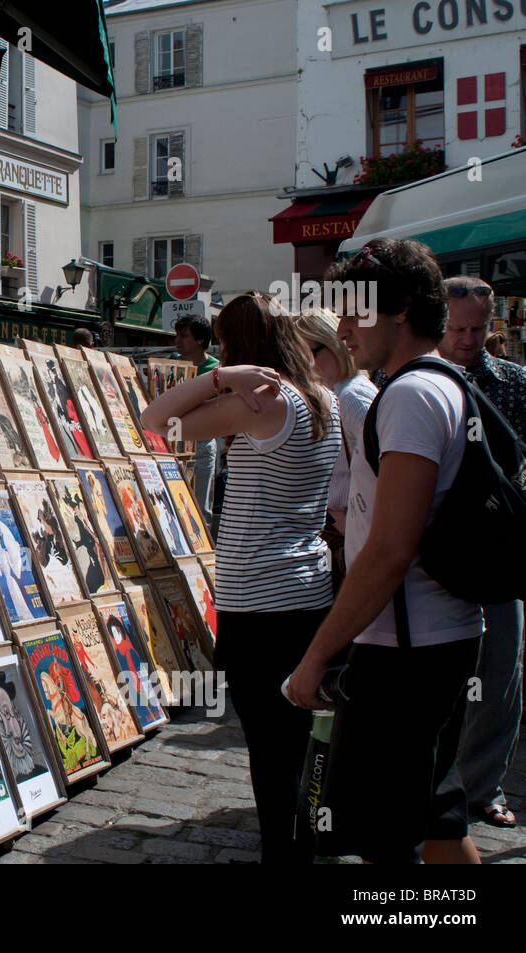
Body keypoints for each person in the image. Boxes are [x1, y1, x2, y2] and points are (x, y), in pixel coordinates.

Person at [285, 239, 484, 865]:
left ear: (397, 308)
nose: (343, 329)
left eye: (353, 312)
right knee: (439, 820)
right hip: (435, 636)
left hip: (406, 650)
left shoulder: (410, 396)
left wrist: (317, 656)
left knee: (381, 840)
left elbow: (391, 548)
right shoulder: (439, 385)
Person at [142, 292, 341, 864]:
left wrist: (220, 377)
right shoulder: (320, 398)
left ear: (242, 347)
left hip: (259, 599)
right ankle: (301, 841)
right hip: (307, 590)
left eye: (227, 345)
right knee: (296, 738)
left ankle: (285, 851)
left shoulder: (260, 405)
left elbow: (155, 422)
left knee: (268, 747)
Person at [438, 275, 523, 829]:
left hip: (497, 550)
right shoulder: (414, 378)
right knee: (438, 676)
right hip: (435, 547)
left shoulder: (514, 382)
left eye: (477, 328)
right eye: (457, 328)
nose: (468, 339)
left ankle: (481, 787)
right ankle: (436, 786)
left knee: (500, 672)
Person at [295, 306, 378, 582]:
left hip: (349, 538)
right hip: (339, 533)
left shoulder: (351, 396)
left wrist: (351, 522)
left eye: (310, 354)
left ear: (333, 344)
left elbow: (386, 473)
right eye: (298, 357)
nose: (304, 366)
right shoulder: (339, 392)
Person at [174, 314, 222, 535]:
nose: (178, 340)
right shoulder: (172, 364)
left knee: (200, 506)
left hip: (201, 443)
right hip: (175, 442)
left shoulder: (216, 370)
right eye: (177, 335)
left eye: (184, 336)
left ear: (201, 340)